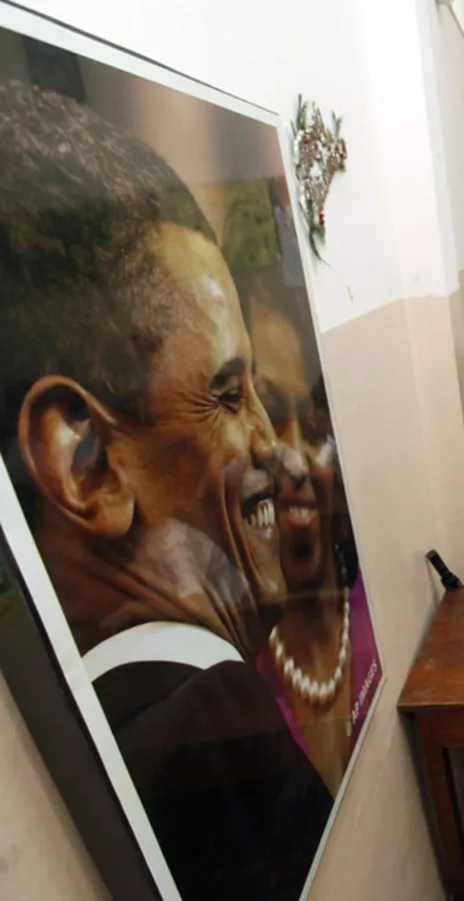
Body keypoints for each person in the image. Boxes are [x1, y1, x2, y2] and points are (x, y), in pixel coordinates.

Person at [0, 81, 329, 900]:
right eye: (227, 393)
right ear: (88, 463)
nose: (271, 443)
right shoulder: (204, 716)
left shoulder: (107, 716)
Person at [243, 271, 382, 794]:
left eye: (317, 425)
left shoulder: (370, 606)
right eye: (270, 415)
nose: (298, 462)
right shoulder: (238, 682)